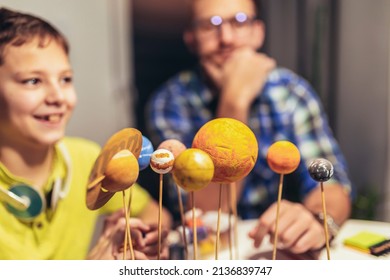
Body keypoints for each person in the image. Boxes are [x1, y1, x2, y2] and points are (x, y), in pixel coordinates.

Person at [146, 0, 353, 255]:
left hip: (274, 247)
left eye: (240, 22)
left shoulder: (292, 93)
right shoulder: (170, 102)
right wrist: (234, 101)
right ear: (191, 38)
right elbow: (207, 210)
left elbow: (332, 186)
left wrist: (319, 220)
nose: (227, 38)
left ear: (258, 32)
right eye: (210, 26)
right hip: (207, 251)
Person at [0, 7, 171, 260]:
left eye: (66, 79)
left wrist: (141, 239)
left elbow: (157, 215)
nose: (59, 97)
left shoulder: (87, 159)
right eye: (33, 81)